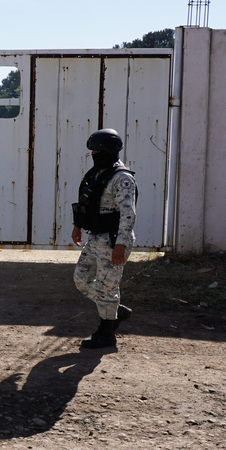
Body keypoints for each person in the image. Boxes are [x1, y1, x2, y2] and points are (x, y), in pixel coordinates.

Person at [71, 128, 138, 349]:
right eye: (93, 151)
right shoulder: (96, 174)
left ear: (109, 150)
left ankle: (106, 334)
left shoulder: (122, 178)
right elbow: (86, 202)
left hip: (113, 241)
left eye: (98, 150)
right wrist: (78, 225)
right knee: (81, 280)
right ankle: (114, 310)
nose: (94, 154)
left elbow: (128, 214)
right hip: (96, 238)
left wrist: (121, 244)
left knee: (108, 287)